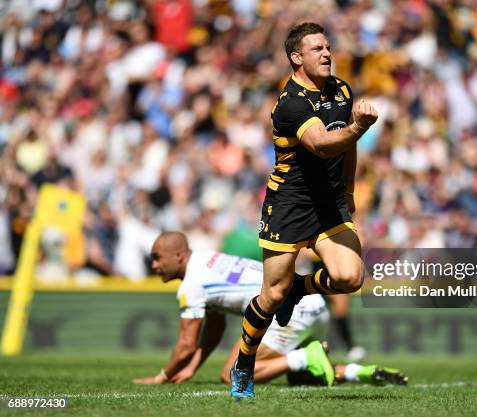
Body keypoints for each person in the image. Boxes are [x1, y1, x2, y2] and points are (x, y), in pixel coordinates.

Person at [231, 22, 378, 399]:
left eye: (328, 46)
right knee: (272, 295)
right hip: (289, 206)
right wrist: (359, 126)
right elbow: (323, 145)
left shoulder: (341, 90)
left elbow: (345, 150)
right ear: (297, 58)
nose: (327, 53)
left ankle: (303, 286)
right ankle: (244, 365)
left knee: (350, 277)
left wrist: (348, 191)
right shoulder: (291, 103)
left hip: (329, 204)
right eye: (317, 49)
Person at [132, 232, 407, 388]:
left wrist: (162, 376)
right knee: (301, 379)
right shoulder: (208, 259)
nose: (154, 266)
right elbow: (214, 328)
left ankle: (306, 356)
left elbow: (186, 344)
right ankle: (358, 372)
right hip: (311, 303)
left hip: (288, 309)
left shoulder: (191, 285)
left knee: (232, 374)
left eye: (157, 258)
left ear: (178, 255)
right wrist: (192, 368)